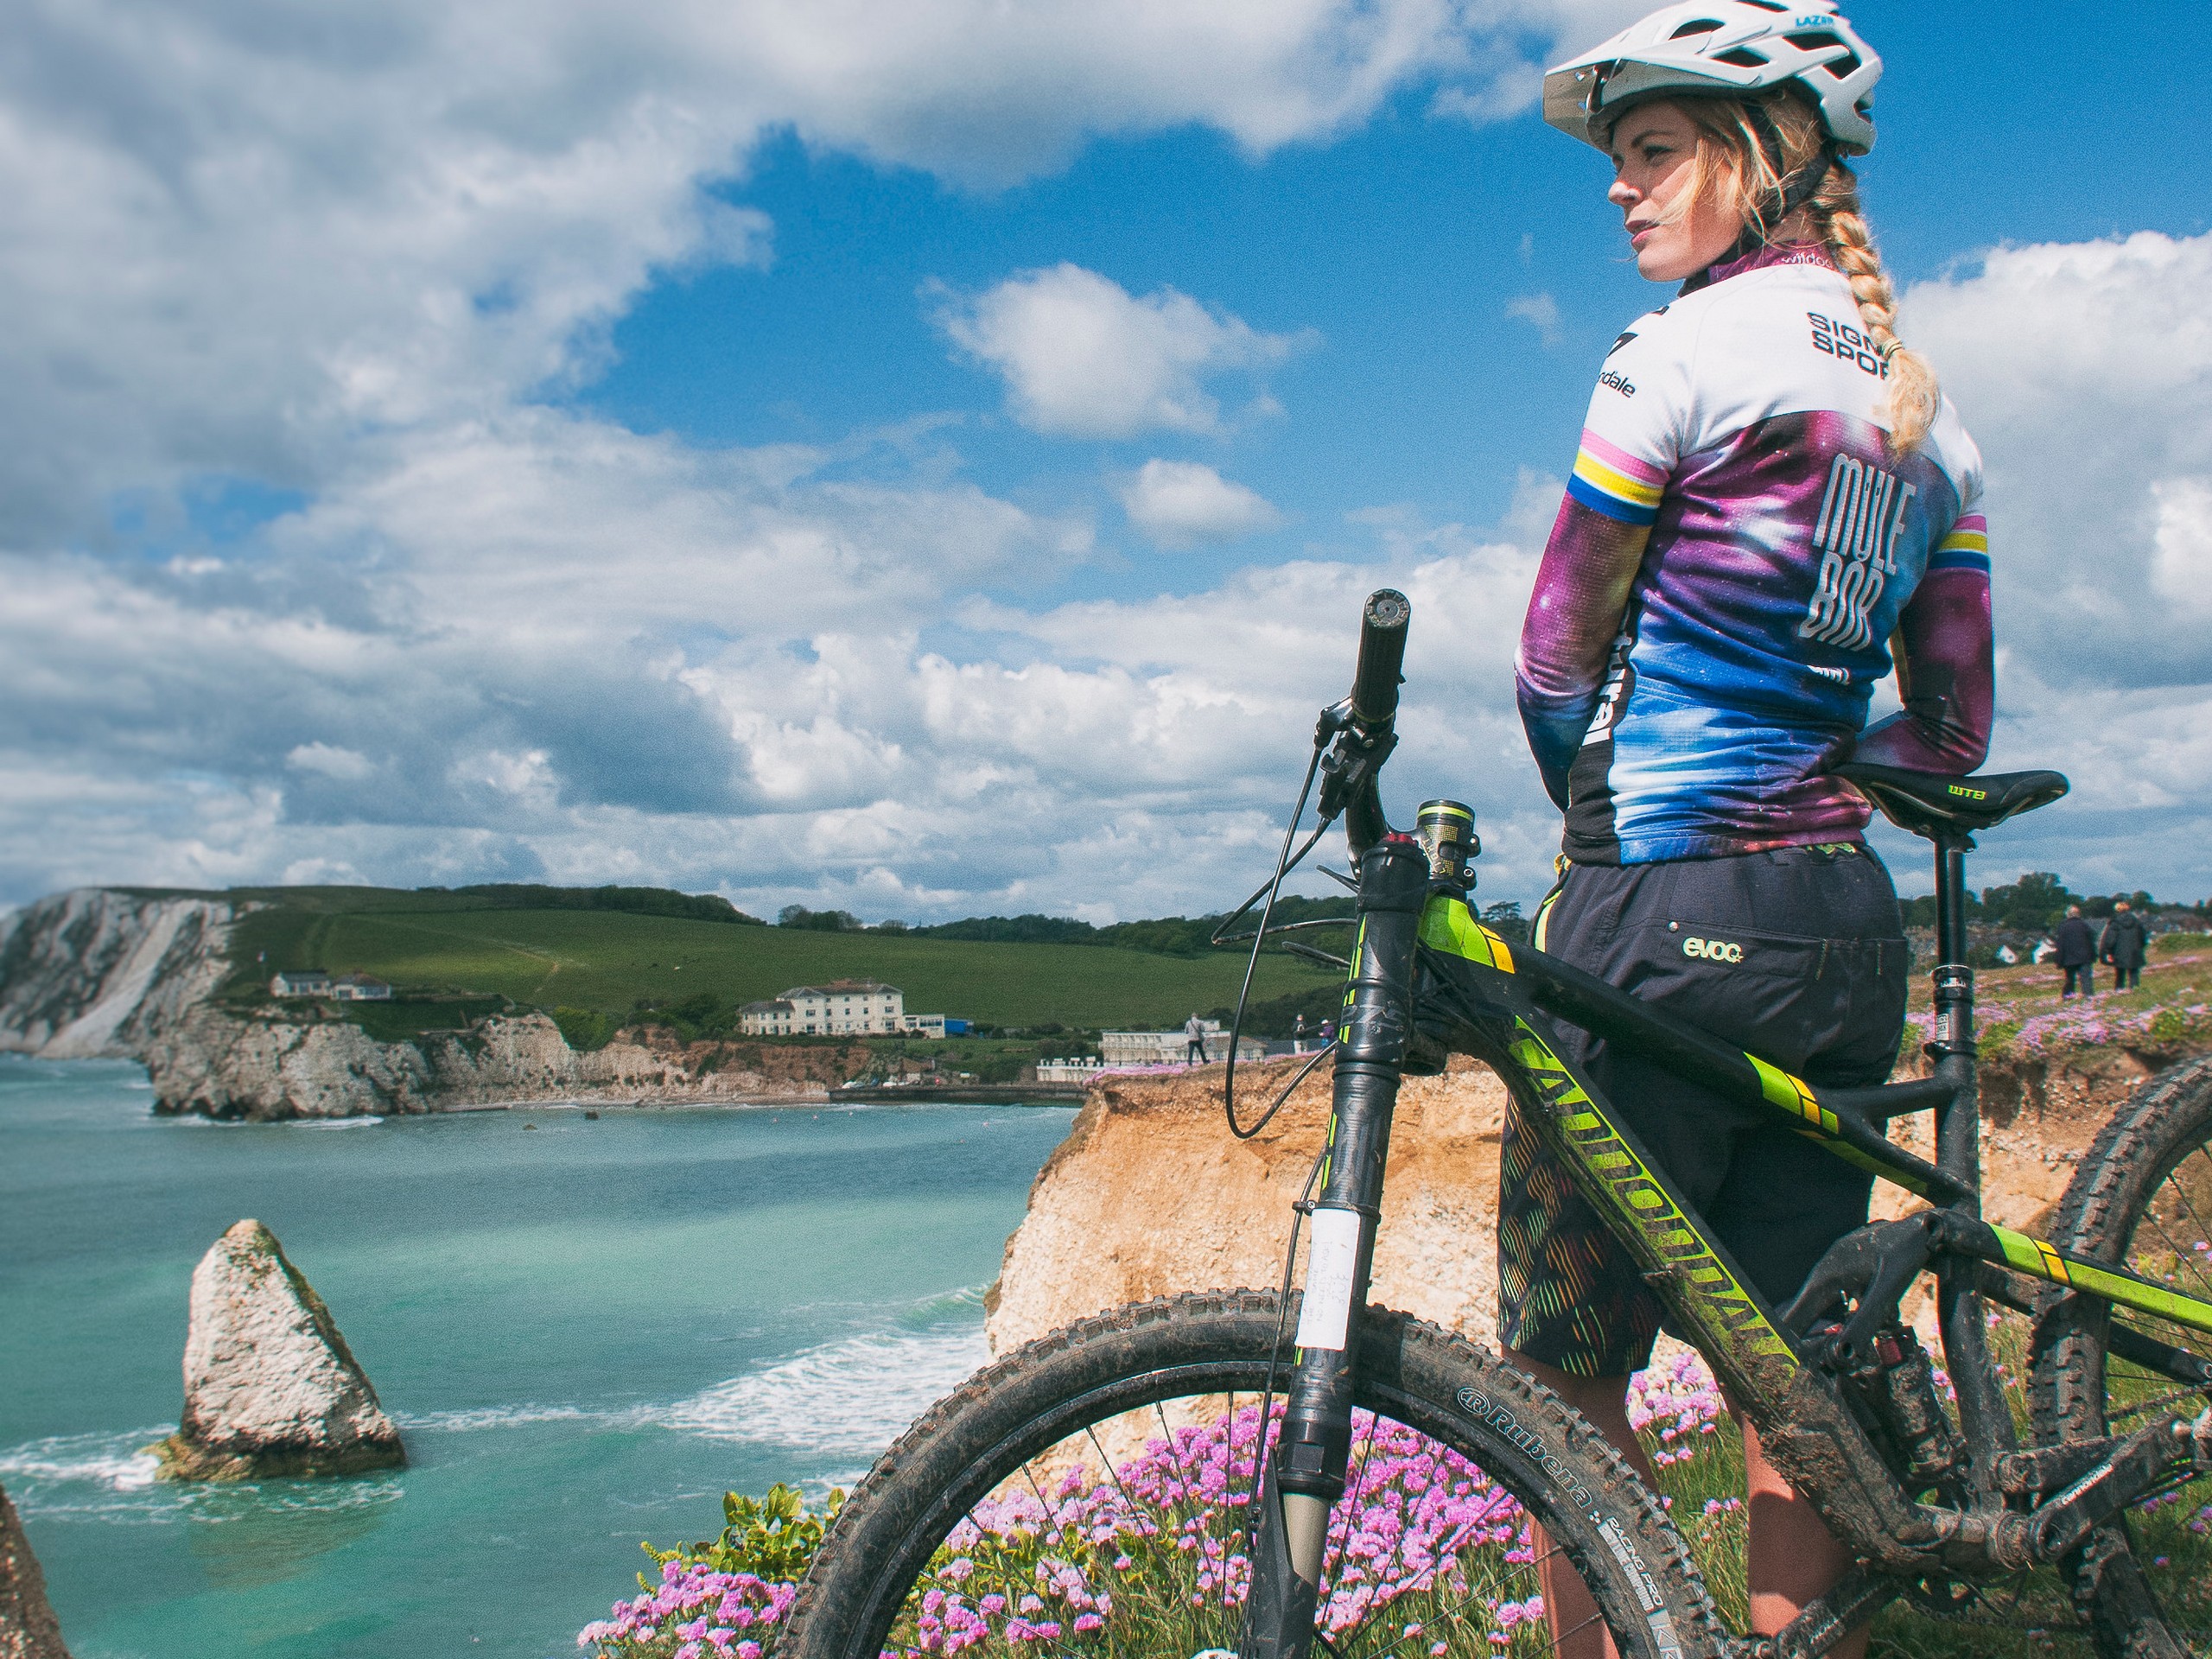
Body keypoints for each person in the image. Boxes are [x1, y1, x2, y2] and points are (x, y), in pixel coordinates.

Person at [1511, 8, 1993, 1655]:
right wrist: (1807, 757)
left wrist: (1629, 801)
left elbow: (1557, 657)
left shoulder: (1676, 360)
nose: (1622, 192)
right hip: (1842, 932)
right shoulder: (1936, 424)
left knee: (1566, 1372)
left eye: (1653, 152)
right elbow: (1951, 731)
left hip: (1660, 916)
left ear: (1766, 153)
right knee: (1792, 1367)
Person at [2101, 899, 2148, 992]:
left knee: (2120, 974)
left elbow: (2110, 940)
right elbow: (2143, 937)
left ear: (2117, 910)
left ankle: (2119, 991)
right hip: (2135, 951)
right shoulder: (2137, 922)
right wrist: (2141, 947)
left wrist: (2108, 951)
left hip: (2119, 952)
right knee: (2134, 973)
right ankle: (2135, 991)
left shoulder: (2115, 923)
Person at [2055, 904, 2097, 999]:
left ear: (2068, 915)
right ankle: (2089, 999)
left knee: (2070, 980)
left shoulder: (2063, 927)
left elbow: (2060, 945)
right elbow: (2091, 942)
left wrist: (2059, 961)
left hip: (2069, 959)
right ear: (2078, 914)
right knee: (2086, 979)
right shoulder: (2085, 925)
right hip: (2085, 957)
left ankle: (2068, 997)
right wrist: (2093, 956)